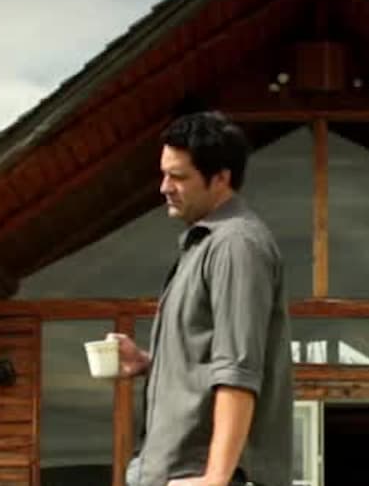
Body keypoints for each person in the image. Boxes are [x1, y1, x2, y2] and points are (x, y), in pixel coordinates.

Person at [115, 111, 293, 486]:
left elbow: (238, 369)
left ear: (221, 178)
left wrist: (215, 478)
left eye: (178, 176)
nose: (164, 187)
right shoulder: (203, 245)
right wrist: (151, 363)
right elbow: (206, 363)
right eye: (164, 174)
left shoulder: (236, 246)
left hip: (200, 476)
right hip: (168, 472)